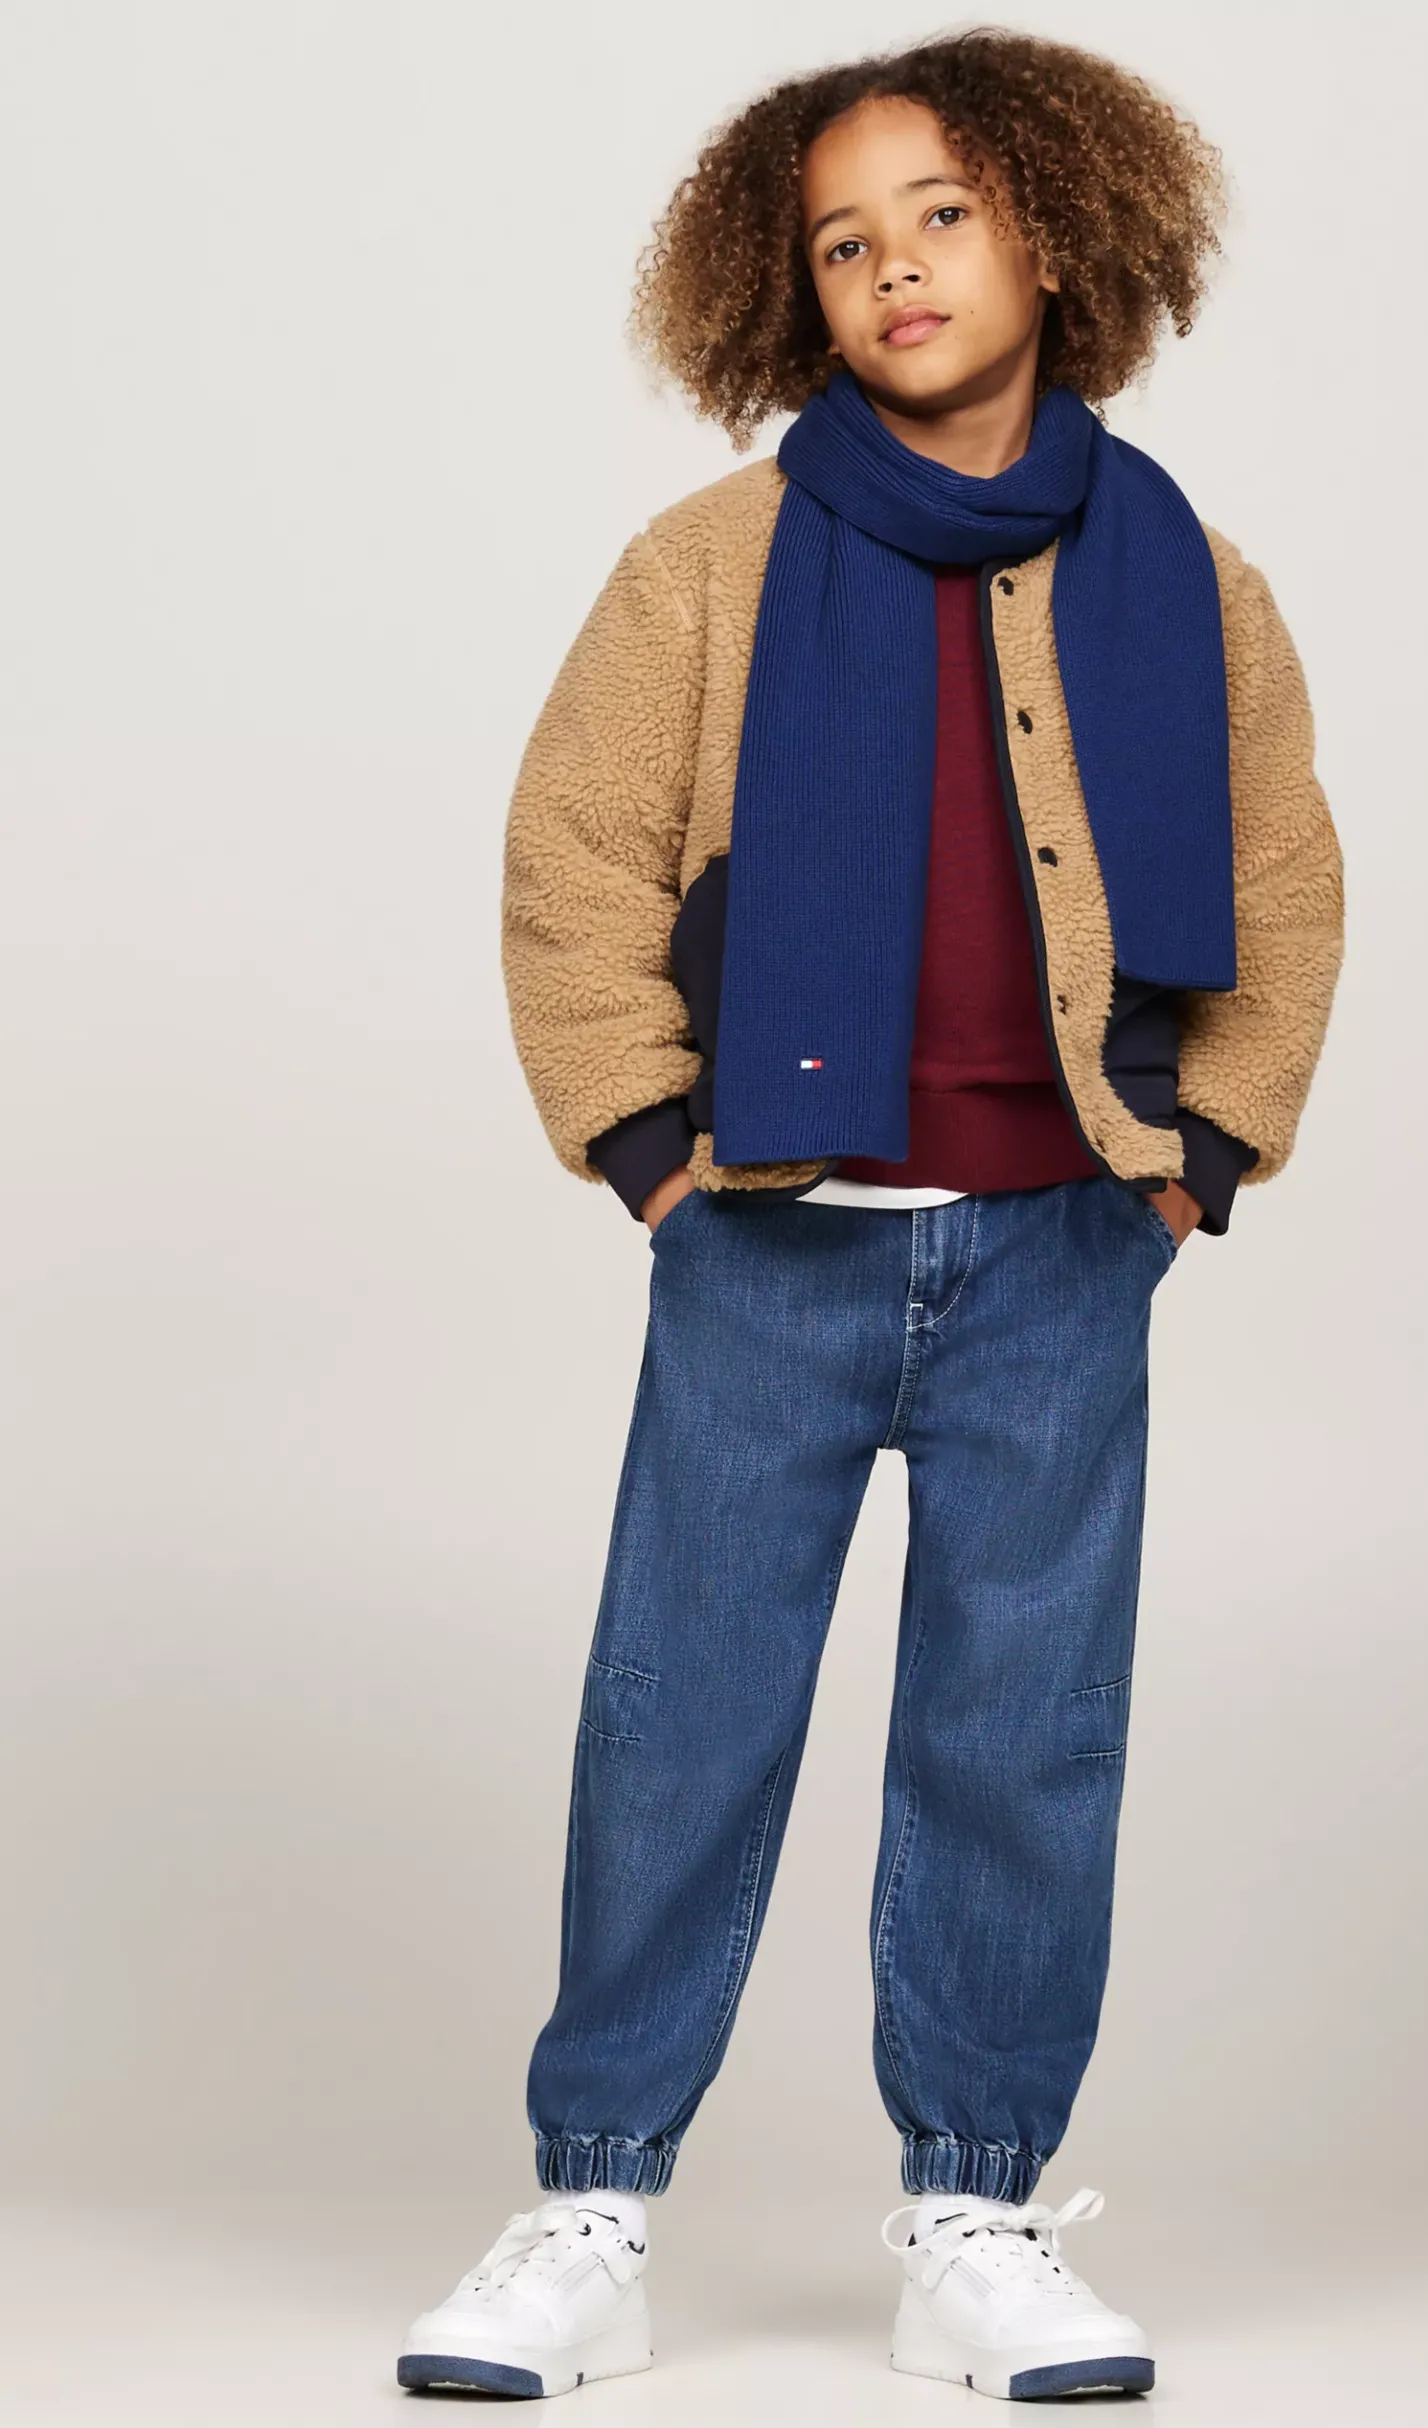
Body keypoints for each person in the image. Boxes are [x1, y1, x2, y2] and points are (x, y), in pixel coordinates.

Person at [398, 26, 1344, 2405]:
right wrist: (646, 1142)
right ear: (785, 290)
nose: (894, 265)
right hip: (772, 1245)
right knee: (677, 1717)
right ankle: (592, 2198)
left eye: (941, 214)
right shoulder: (707, 569)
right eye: (841, 241)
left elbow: (1283, 867)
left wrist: (1205, 1153)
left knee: (1022, 1733)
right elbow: (571, 860)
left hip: (1061, 1249)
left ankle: (977, 2213)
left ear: (1061, 232)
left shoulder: (1188, 580)